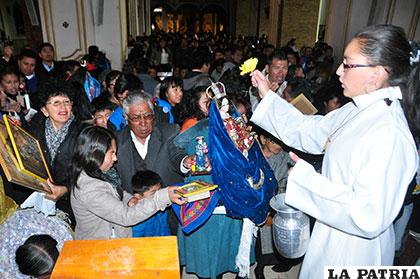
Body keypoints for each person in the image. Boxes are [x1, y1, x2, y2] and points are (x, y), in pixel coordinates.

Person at [250, 24, 419, 278]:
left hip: (353, 250)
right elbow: (310, 129)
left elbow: (368, 216)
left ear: (376, 74)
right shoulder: (358, 109)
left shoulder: (389, 133)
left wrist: (307, 181)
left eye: (348, 64)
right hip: (331, 231)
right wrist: (267, 96)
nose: (339, 71)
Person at [70, 126, 185, 239]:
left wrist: (131, 199)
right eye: (111, 153)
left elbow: (117, 193)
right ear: (95, 153)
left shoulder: (100, 173)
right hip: (100, 249)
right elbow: (125, 216)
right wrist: (164, 196)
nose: (115, 158)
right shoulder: (89, 188)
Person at [130, 170, 171, 237]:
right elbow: (136, 240)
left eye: (160, 190)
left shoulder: (162, 207)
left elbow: (165, 228)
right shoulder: (138, 217)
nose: (158, 195)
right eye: (153, 193)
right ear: (138, 196)